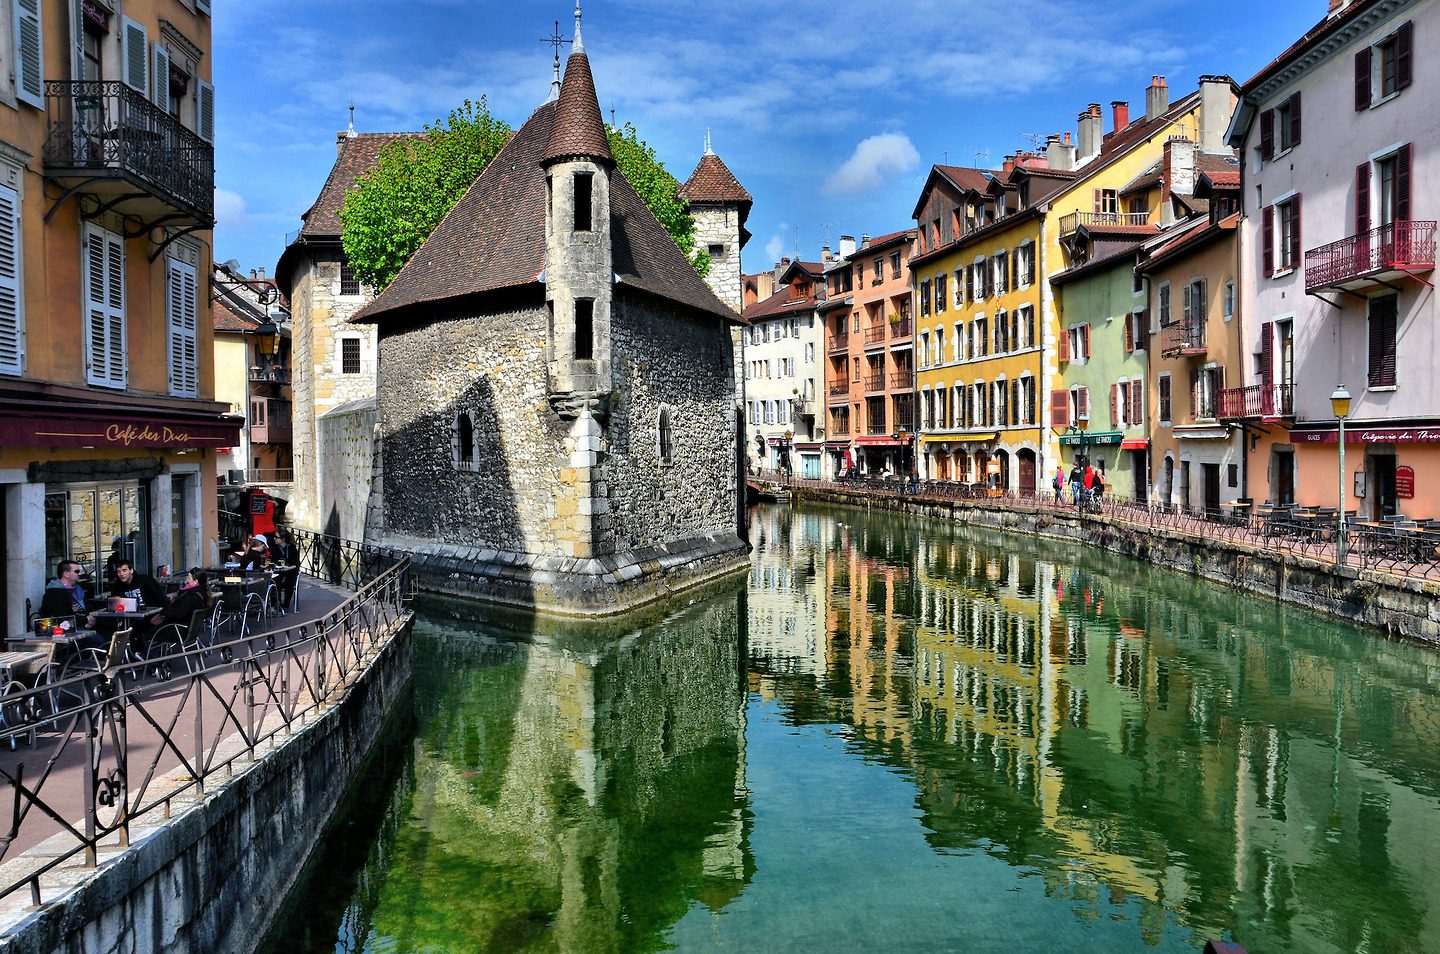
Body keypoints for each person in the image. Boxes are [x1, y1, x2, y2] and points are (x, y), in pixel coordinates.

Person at [38, 559, 97, 628]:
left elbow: (88, 608)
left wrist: (90, 618)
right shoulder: (54, 592)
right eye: (77, 571)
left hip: (81, 625)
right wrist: (85, 620)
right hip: (63, 631)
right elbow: (61, 617)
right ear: (66, 574)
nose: (79, 574)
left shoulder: (77, 589)